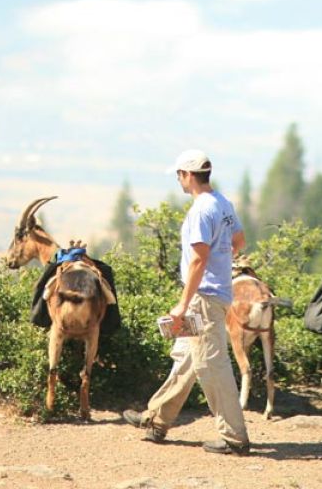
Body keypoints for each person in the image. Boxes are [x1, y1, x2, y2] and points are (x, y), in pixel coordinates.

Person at [123, 149, 251, 455]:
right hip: (216, 293)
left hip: (203, 298)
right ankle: (157, 420)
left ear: (188, 175)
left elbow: (198, 260)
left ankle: (234, 437)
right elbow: (239, 241)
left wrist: (183, 304)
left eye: (179, 174)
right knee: (187, 357)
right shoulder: (222, 203)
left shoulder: (199, 211)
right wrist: (222, 265)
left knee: (212, 364)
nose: (179, 180)